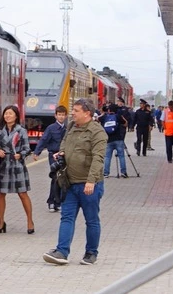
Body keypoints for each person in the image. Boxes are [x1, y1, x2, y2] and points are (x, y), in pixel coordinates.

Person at [43, 98, 107, 266]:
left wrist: (91, 181)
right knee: (67, 217)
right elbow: (64, 142)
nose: (72, 113)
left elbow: (98, 158)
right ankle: (62, 252)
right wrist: (62, 152)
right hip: (70, 183)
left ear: (87, 113)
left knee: (91, 220)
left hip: (89, 185)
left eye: (76, 111)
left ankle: (91, 253)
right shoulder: (71, 126)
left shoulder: (97, 132)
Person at [0, 105, 35, 234]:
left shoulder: (21, 130)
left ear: (16, 116)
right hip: (3, 165)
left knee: (22, 193)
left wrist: (21, 155)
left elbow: (27, 148)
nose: (7, 116)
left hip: (17, 165)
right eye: (6, 114)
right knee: (1, 193)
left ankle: (30, 221)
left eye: (10, 114)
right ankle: (1, 222)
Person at [33, 105, 68, 212]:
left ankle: (58, 202)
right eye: (59, 115)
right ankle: (52, 202)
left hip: (64, 156)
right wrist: (37, 152)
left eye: (63, 115)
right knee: (55, 178)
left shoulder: (67, 128)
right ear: (55, 116)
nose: (61, 117)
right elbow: (44, 140)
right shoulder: (51, 128)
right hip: (53, 156)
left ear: (66, 116)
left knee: (62, 179)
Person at [100, 104, 128, 178]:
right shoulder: (118, 116)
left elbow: (97, 119)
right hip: (119, 139)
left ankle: (106, 173)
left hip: (109, 140)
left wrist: (103, 113)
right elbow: (125, 124)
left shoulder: (105, 117)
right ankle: (123, 172)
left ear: (109, 110)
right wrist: (122, 118)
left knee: (107, 157)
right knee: (121, 156)